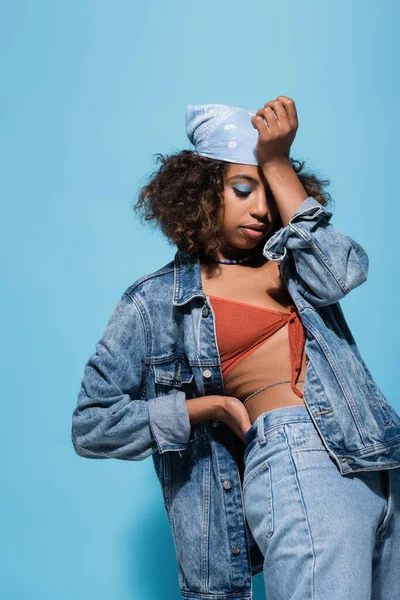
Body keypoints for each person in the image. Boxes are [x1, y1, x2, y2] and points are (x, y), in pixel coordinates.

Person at [71, 97, 400, 600]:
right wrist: (206, 407)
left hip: (380, 460)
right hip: (301, 458)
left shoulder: (295, 264)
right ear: (200, 194)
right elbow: (93, 424)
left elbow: (343, 272)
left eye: (269, 192)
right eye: (243, 189)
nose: (262, 209)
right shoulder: (155, 300)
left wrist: (276, 162)